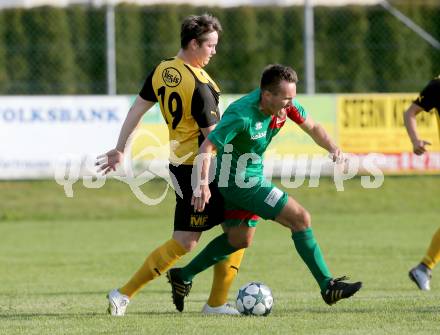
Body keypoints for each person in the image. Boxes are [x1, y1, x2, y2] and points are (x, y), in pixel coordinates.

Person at [166, 64, 362, 311]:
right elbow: (207, 147)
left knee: (240, 239)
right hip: (241, 183)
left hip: (250, 178)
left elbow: (312, 127)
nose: (290, 104)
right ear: (267, 95)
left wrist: (334, 148)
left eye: (293, 97)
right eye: (286, 98)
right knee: (300, 218)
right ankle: (327, 285)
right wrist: (202, 185)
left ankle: (183, 275)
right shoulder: (242, 114)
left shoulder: (284, 107)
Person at [96, 14, 244, 316]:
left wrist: (120, 148)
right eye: (210, 45)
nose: (214, 52)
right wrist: (206, 181)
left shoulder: (163, 69)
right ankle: (124, 294)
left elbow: (138, 107)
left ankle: (215, 302)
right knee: (198, 239)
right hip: (201, 167)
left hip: (178, 164)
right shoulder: (201, 86)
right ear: (193, 44)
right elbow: (210, 141)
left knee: (236, 228)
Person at [404, 75, 440, 291]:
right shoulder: (438, 85)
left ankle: (424, 267)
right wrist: (415, 140)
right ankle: (424, 267)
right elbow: (410, 113)